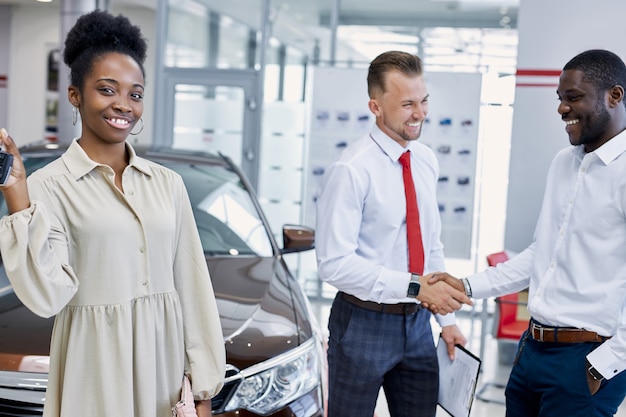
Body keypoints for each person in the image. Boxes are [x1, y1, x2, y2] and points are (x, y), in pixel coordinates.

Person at [0, 10, 225, 417]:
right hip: (94, 369)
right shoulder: (48, 186)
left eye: (135, 94)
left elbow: (192, 286)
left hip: (163, 367)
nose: (123, 104)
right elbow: (47, 295)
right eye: (107, 90)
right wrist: (17, 194)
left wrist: (203, 389)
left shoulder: (168, 184)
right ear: (75, 95)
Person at [428, 49, 626, 417]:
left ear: (615, 96)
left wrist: (605, 364)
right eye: (560, 99)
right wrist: (466, 286)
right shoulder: (564, 162)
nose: (562, 109)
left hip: (586, 363)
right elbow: (542, 254)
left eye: (574, 97)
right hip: (532, 351)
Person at [314, 50, 472, 417]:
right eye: (407, 104)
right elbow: (334, 264)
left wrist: (446, 322)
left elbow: (431, 244)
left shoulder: (425, 160)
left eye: (424, 101)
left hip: (418, 325)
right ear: (376, 105)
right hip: (362, 322)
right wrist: (416, 286)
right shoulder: (351, 170)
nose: (420, 114)